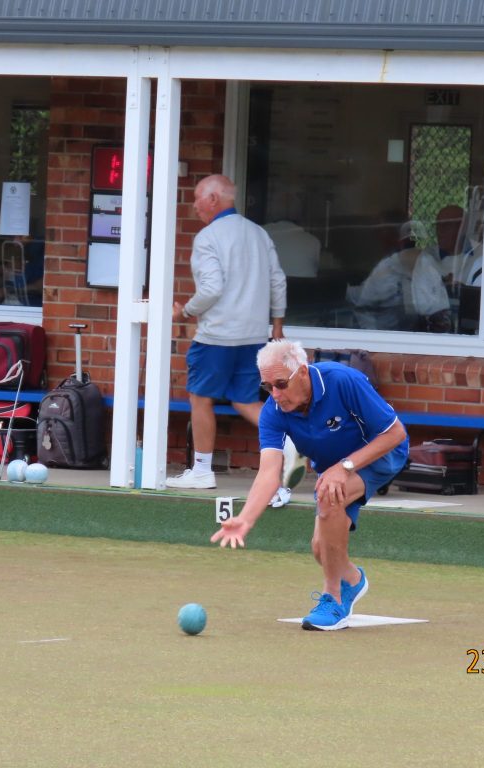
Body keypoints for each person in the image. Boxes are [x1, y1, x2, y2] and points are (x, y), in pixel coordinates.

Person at [211, 339, 409, 631]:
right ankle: (352, 580)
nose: (275, 394)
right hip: (335, 467)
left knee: (328, 495)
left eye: (281, 384)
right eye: (267, 386)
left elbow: (395, 433)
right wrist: (245, 519)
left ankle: (333, 598)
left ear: (302, 372)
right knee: (321, 550)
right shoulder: (273, 412)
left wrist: (344, 467)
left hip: (382, 454)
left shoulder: (343, 381)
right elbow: (269, 472)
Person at [168, 174, 287, 491]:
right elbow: (277, 279)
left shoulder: (208, 237)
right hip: (254, 335)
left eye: (197, 197)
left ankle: (202, 471)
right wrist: (277, 324)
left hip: (216, 336)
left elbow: (211, 288)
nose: (194, 205)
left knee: (200, 397)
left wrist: (185, 311)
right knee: (245, 400)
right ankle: (291, 444)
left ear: (213, 199)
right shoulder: (258, 233)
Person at [347, 220, 451, 332]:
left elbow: (441, 313)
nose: (413, 247)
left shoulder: (430, 267)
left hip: (423, 335)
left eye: (417, 243)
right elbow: (363, 305)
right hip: (387, 334)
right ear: (400, 244)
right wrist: (373, 334)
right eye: (409, 243)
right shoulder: (386, 268)